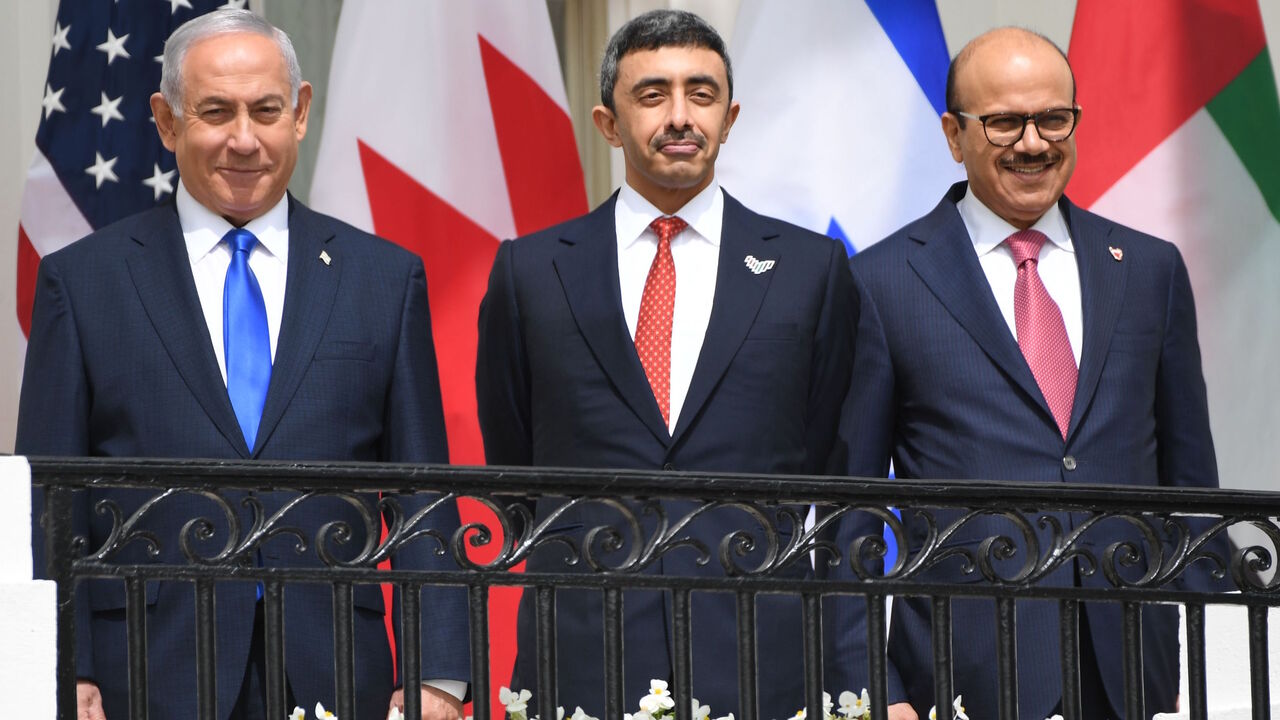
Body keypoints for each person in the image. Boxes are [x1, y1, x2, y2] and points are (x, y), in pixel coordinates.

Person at [16, 9, 467, 720]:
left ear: (301, 113)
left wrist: (440, 675)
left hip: (337, 671)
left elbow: (423, 494)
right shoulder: (83, 282)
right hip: (145, 671)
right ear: (166, 122)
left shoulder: (382, 279)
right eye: (216, 112)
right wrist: (63, 669)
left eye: (266, 110)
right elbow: (50, 501)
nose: (244, 140)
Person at [827, 27, 1222, 720]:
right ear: (954, 135)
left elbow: (1190, 487)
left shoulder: (1150, 271)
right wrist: (874, 687)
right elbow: (846, 513)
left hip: (1129, 673)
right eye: (1005, 122)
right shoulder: (880, 283)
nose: (1033, 143)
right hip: (961, 674)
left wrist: (1178, 642)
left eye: (1052, 118)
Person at [475, 9, 855, 718]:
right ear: (609, 122)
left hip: (758, 644)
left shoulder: (812, 270)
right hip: (584, 639)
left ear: (730, 114)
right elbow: (514, 464)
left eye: (701, 94)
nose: (680, 116)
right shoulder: (529, 272)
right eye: (652, 95)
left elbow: (832, 459)